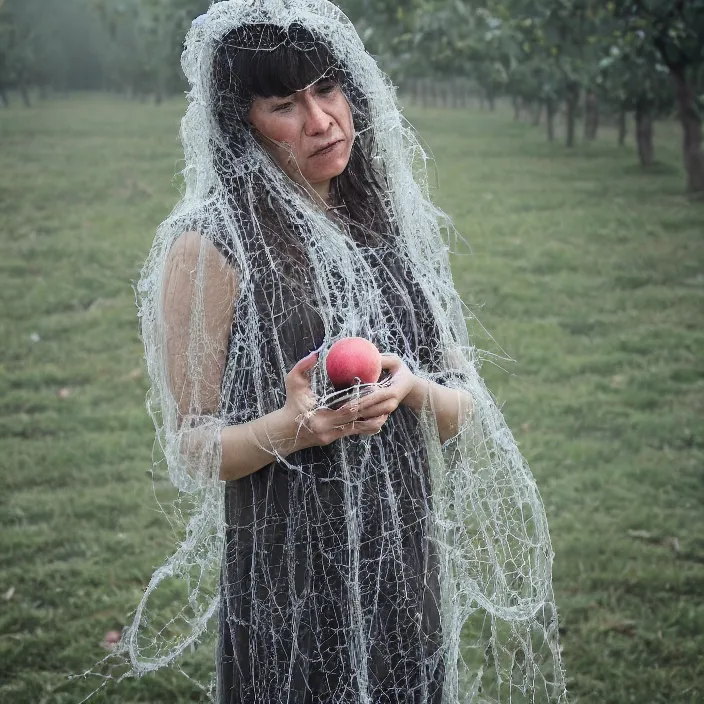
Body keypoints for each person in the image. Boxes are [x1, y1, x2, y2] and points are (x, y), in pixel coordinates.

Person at [126, 2, 567, 703]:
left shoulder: (385, 229)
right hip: (289, 576)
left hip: (401, 560)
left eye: (328, 90)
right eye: (284, 104)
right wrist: (292, 429)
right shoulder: (208, 246)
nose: (321, 120)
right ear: (244, 123)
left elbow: (463, 409)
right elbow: (192, 445)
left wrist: (411, 389)